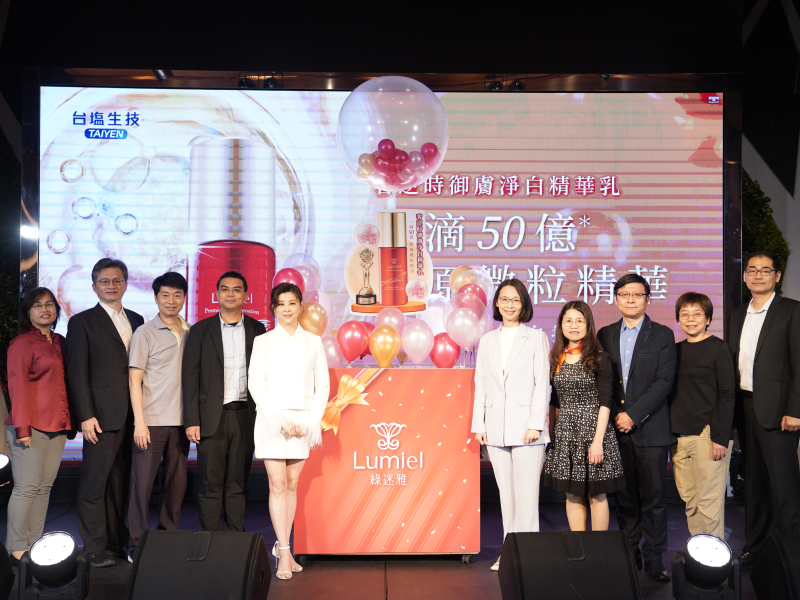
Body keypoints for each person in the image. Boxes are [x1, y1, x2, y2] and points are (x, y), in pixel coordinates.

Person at [596, 273, 676, 582]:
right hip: (616, 429)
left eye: (637, 294)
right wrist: (619, 415)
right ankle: (630, 552)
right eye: (624, 294)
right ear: (616, 299)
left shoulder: (663, 335)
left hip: (651, 428)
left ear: (647, 299)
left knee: (654, 497)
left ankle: (654, 557)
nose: (630, 299)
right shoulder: (604, 334)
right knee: (625, 497)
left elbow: (664, 382)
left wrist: (634, 415)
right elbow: (603, 382)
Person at [248, 282, 329, 580]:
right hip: (273, 422)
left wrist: (309, 422)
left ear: (300, 306)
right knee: (277, 484)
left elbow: (322, 386)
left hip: (303, 422)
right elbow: (256, 384)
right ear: (273, 308)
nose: (286, 309)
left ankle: (285, 546)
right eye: (281, 304)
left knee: (292, 484)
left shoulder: (314, 342)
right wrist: (280, 420)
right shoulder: (263, 341)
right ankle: (283, 550)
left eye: (292, 303)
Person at [67, 258, 144, 568]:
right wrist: (86, 415)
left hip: (132, 417)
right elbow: (77, 373)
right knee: (94, 484)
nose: (111, 286)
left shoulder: (137, 319)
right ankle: (94, 546)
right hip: (99, 417)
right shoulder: (82, 322)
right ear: (94, 286)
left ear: (125, 284)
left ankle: (116, 541)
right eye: (104, 281)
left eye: (116, 280)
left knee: (121, 485)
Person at [471, 278, 550, 572]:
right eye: (504, 299)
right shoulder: (488, 340)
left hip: (528, 427)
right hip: (495, 427)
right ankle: (509, 552)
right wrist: (479, 424)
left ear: (524, 304)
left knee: (527, 496)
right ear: (496, 303)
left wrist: (536, 423)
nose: (509, 305)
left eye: (515, 300)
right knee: (507, 496)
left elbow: (542, 383)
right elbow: (481, 384)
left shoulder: (536, 337)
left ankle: (528, 554)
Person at [729, 250, 800, 569]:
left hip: (780, 413)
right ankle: (755, 547)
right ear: (745, 275)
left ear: (777, 276)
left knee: (784, 488)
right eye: (752, 270)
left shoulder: (792, 311)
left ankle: (789, 553)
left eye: (765, 270)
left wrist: (795, 410)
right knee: (754, 485)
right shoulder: (738, 313)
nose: (758, 275)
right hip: (746, 408)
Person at [182, 271, 266, 532]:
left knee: (238, 483)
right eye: (225, 289)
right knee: (210, 483)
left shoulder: (258, 329)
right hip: (210, 418)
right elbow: (190, 377)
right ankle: (209, 541)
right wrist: (192, 420)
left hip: (245, 416)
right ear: (217, 294)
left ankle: (235, 541)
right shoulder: (200, 330)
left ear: (246, 295)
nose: (231, 294)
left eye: (237, 289)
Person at [5, 288, 74, 567]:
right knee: (26, 488)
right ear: (27, 312)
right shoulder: (22, 343)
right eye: (37, 305)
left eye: (49, 304)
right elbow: (17, 386)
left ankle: (33, 544)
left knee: (44, 488)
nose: (45, 309)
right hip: (29, 427)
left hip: (57, 426)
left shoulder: (60, 341)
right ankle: (16, 549)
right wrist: (22, 429)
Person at [126, 272, 191, 563]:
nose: (171, 300)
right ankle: (137, 543)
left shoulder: (190, 331)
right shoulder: (144, 332)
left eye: (177, 295)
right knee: (142, 485)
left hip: (181, 422)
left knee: (176, 485)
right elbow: (134, 380)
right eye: (165, 295)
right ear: (155, 298)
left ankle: (167, 536)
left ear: (184, 298)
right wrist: (139, 422)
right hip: (150, 422)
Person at [543, 301, 625, 532]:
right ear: (561, 325)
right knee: (572, 493)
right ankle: (578, 545)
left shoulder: (599, 357)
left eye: (579, 321)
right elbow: (555, 402)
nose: (574, 326)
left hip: (593, 432)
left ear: (588, 325)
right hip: (565, 434)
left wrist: (598, 441)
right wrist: (552, 438)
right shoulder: (556, 357)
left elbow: (605, 403)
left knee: (596, 494)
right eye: (568, 321)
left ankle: (598, 548)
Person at [669, 292, 734, 540]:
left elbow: (727, 395)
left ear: (708, 319)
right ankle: (699, 553)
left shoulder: (719, 348)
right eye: (684, 314)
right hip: (678, 436)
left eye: (697, 314)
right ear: (678, 319)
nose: (690, 319)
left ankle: (714, 556)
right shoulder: (674, 351)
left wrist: (720, 437)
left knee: (709, 502)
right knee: (690, 500)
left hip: (708, 435)